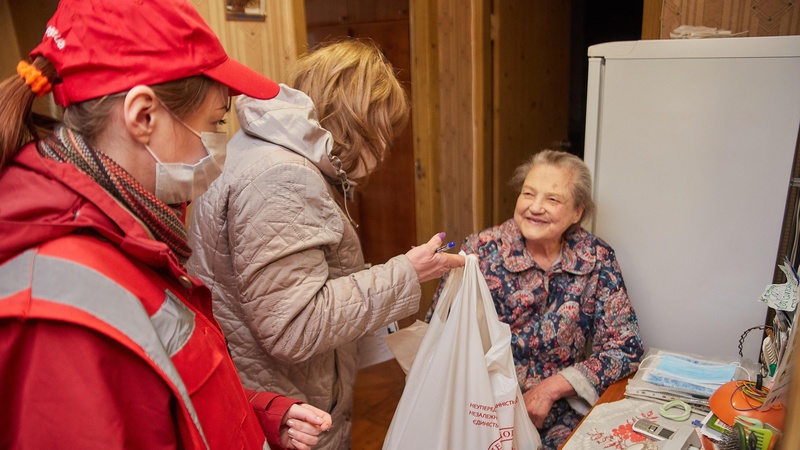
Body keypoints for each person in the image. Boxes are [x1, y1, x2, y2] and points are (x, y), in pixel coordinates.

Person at [0, 1, 331, 449]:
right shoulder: (59, 316)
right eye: (215, 123)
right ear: (143, 117)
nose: (218, 146)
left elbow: (159, 395)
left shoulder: (127, 234)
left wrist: (258, 418)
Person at [187, 39, 466, 449]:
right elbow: (294, 325)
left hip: (270, 396)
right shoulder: (283, 175)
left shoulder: (263, 150)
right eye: (382, 132)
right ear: (354, 120)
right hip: (288, 414)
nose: (385, 150)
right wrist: (407, 273)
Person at [427, 149, 644, 450]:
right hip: (481, 408)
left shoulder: (596, 258)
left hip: (559, 413)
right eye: (528, 193)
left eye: (553, 199)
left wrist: (552, 388)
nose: (535, 207)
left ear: (577, 212)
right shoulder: (481, 251)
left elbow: (626, 347)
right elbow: (438, 335)